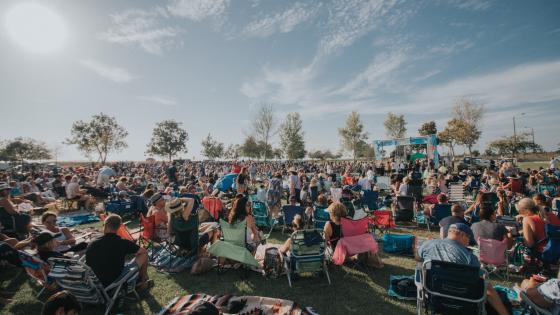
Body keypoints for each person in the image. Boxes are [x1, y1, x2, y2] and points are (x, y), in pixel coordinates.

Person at [416, 223, 510, 315]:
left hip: (433, 295)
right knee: (489, 288)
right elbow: (481, 282)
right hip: (462, 299)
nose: (469, 242)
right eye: (469, 238)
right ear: (462, 235)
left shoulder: (428, 244)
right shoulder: (469, 257)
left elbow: (418, 258)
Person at [86, 214, 152, 290]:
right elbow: (143, 251)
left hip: (94, 281)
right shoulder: (122, 242)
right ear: (119, 227)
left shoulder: (92, 243)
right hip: (113, 280)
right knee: (144, 254)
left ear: (105, 225)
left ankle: (141, 280)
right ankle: (143, 279)